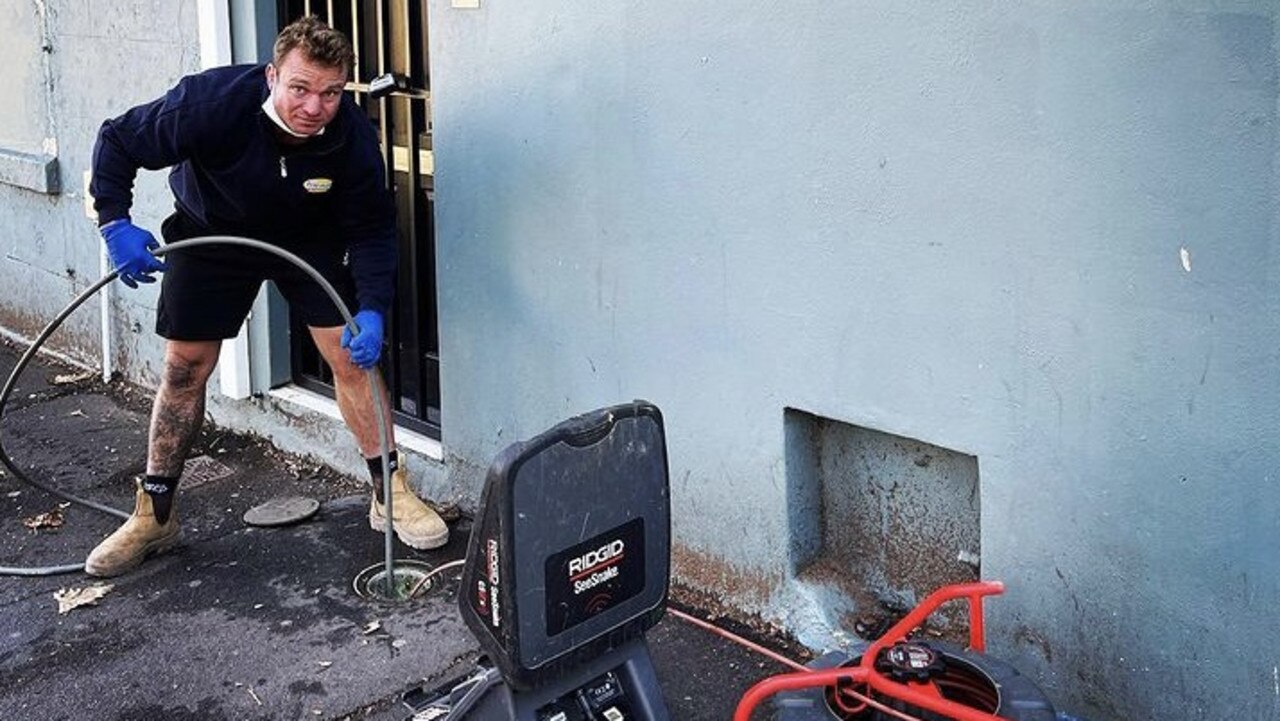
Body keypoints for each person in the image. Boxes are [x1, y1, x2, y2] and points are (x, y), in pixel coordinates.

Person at [85, 16, 448, 577]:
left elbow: (373, 230)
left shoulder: (349, 136)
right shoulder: (210, 103)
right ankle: (154, 513)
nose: (314, 107)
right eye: (300, 88)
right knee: (184, 368)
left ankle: (389, 493)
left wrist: (373, 307)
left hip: (308, 241)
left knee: (351, 355)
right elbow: (118, 138)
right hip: (214, 231)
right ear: (272, 75)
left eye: (330, 93)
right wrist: (115, 223)